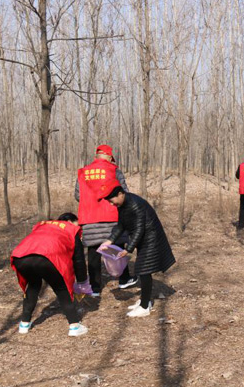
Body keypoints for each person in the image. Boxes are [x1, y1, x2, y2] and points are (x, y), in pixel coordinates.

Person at [100, 184, 176, 317]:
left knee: (143, 270)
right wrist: (110, 240)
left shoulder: (135, 204)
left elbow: (139, 229)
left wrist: (128, 249)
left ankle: (145, 307)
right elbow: (121, 225)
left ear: (120, 194)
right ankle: (144, 300)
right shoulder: (122, 205)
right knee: (142, 270)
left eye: (112, 201)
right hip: (144, 238)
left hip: (151, 237)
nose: (112, 204)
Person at [11, 213, 90, 337]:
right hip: (47, 257)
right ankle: (74, 326)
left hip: (20, 256)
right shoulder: (72, 230)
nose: (79, 227)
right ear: (70, 221)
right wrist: (82, 282)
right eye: (77, 223)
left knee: (33, 285)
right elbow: (79, 260)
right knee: (61, 289)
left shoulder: (42, 225)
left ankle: (24, 324)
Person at [75, 144, 137, 297]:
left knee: (94, 253)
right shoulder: (114, 170)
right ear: (109, 157)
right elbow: (124, 193)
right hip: (112, 217)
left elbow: (78, 195)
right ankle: (124, 279)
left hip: (90, 218)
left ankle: (95, 288)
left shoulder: (83, 172)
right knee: (115, 248)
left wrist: (91, 203)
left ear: (96, 156)